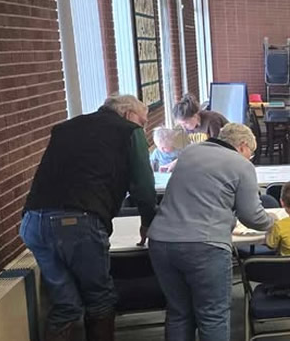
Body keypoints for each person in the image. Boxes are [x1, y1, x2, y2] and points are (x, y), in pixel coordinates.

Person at [19, 94, 157, 341]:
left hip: (33, 223)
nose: (143, 127)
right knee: (100, 300)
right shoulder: (129, 131)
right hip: (78, 222)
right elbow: (144, 186)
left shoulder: (65, 127)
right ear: (128, 115)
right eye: (143, 121)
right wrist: (148, 221)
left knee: (66, 305)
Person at [148, 123, 275, 341]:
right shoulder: (241, 165)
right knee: (212, 316)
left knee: (179, 313)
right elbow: (252, 216)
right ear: (243, 146)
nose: (250, 158)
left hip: (161, 241)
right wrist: (273, 221)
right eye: (251, 153)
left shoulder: (189, 152)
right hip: (205, 245)